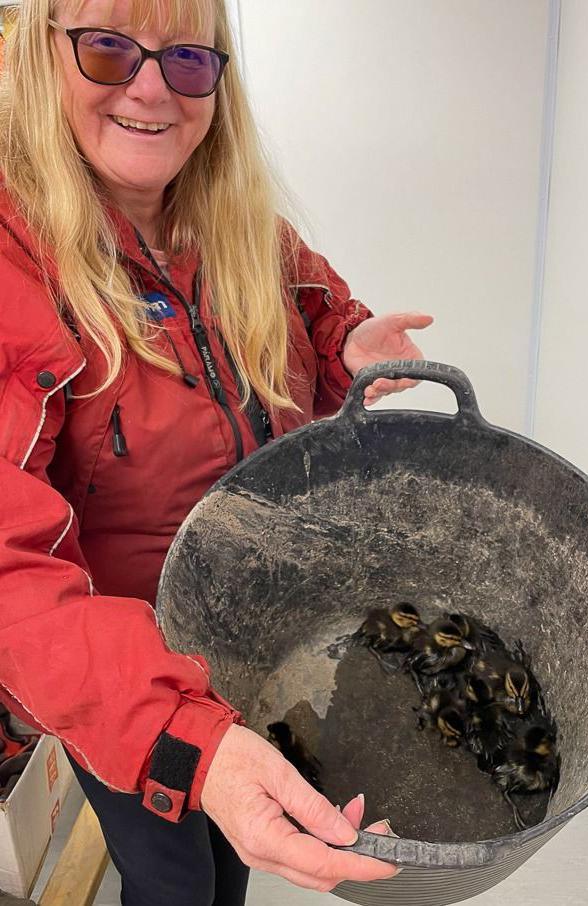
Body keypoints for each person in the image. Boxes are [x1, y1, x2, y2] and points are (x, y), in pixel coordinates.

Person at [0, 1, 433, 904]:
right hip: (122, 674)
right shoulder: (15, 265)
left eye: (188, 60)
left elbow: (308, 305)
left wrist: (346, 347)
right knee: (173, 879)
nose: (152, 87)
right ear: (37, 55)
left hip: (250, 638)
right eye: (109, 49)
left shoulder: (235, 224)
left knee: (229, 866)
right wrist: (176, 732)